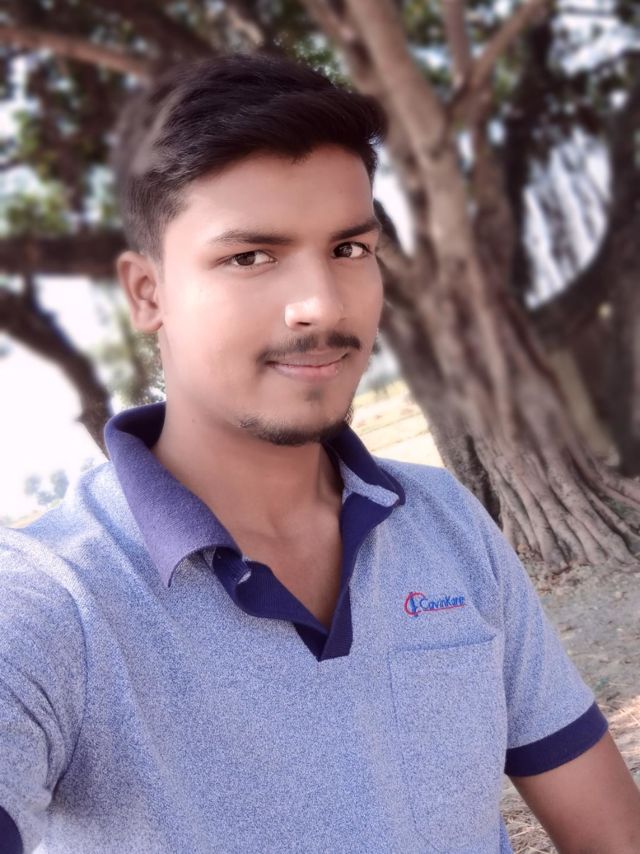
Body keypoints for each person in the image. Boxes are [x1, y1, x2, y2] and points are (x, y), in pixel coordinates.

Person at [1, 52, 639, 854]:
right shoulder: (50, 602)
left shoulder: (441, 521)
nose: (321, 304)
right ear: (147, 292)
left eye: (349, 249)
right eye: (250, 257)